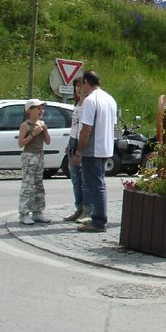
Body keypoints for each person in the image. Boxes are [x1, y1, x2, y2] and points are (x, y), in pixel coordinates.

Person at [74, 70, 117, 233]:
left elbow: (86, 128)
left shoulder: (90, 101)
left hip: (93, 149)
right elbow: (113, 126)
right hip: (106, 147)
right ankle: (97, 217)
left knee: (95, 185)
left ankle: (99, 221)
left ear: (86, 82)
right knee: (99, 183)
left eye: (81, 84)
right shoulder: (110, 99)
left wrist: (79, 151)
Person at [17, 99, 52, 225]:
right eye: (38, 108)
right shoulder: (25, 125)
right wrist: (33, 134)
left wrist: (45, 131)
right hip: (29, 156)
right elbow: (20, 143)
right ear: (29, 111)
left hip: (40, 155)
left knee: (38, 184)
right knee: (28, 185)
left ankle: (38, 212)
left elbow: (48, 141)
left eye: (41, 108)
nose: (41, 111)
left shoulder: (41, 123)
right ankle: (24, 213)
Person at [63, 77, 91, 222]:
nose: (78, 89)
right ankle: (78, 208)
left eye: (81, 86)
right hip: (73, 141)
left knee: (84, 179)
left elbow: (85, 128)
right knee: (75, 178)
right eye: (76, 87)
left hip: (82, 143)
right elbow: (74, 126)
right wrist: (69, 142)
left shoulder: (88, 104)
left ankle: (87, 210)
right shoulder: (76, 105)